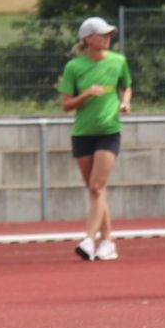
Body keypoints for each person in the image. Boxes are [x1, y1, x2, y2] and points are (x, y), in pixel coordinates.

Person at [60, 16, 131, 262]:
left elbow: (126, 85)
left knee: (97, 186)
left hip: (109, 131)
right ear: (89, 39)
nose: (108, 38)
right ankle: (108, 242)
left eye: (109, 34)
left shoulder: (118, 61)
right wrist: (87, 94)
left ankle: (89, 239)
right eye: (102, 34)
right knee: (95, 191)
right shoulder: (74, 68)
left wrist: (126, 102)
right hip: (82, 134)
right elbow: (66, 105)